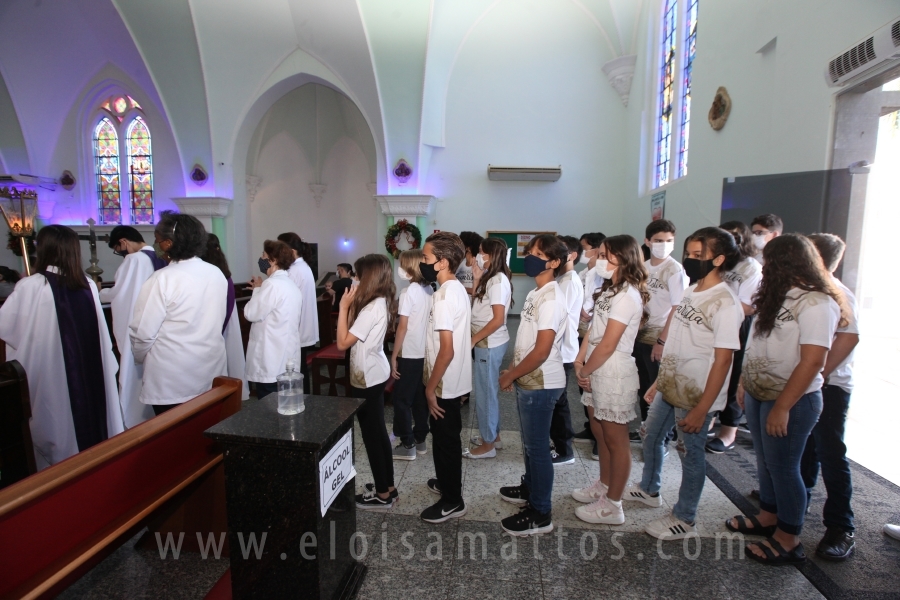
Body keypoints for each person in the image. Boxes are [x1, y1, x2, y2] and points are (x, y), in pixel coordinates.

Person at [728, 234, 846, 566]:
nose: (764, 268)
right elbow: (757, 343)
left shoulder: (817, 302)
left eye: (771, 262)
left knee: (784, 466)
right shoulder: (777, 296)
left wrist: (783, 407)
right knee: (765, 462)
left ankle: (788, 537)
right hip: (758, 391)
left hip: (792, 400)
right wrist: (743, 382)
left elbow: (813, 361)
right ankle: (768, 516)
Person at [632, 227, 743, 539]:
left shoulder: (724, 301)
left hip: (696, 394)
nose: (691, 260)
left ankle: (685, 516)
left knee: (689, 455)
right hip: (670, 384)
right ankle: (649, 488)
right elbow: (677, 342)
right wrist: (659, 382)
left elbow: (723, 361)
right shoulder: (693, 291)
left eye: (699, 256)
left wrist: (703, 409)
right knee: (650, 436)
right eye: (689, 254)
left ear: (719, 259)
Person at [0, 225, 123, 469]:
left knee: (56, 425)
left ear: (44, 249)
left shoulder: (32, 285)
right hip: (90, 372)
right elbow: (102, 335)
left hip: (50, 372)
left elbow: (7, 327)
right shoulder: (86, 284)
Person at [572, 235, 648, 525]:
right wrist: (580, 362)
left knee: (617, 442)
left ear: (624, 258)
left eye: (605, 255)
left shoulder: (628, 295)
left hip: (612, 371)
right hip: (594, 367)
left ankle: (614, 505)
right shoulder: (609, 290)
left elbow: (609, 344)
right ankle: (603, 485)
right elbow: (592, 332)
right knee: (599, 431)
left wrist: (586, 370)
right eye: (599, 253)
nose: (598, 259)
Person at [497, 235, 569, 536]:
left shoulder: (552, 298)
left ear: (553, 263)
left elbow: (541, 351)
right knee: (530, 444)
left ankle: (541, 512)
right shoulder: (537, 293)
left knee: (538, 449)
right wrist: (515, 370)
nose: (530, 257)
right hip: (529, 378)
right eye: (529, 252)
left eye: (538, 254)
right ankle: (531, 489)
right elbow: (526, 340)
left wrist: (511, 374)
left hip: (542, 383)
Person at [130, 211, 227, 415]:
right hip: (209, 369)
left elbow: (143, 333)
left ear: (168, 243)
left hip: (172, 379)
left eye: (157, 240)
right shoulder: (215, 273)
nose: (156, 245)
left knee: (175, 441)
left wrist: (139, 358)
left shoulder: (161, 279)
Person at [800, 233, 860, 561]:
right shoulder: (806, 293)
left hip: (830, 386)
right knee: (806, 447)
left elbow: (849, 338)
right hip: (805, 382)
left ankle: (841, 526)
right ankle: (799, 499)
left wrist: (817, 375)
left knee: (831, 451)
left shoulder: (838, 294)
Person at [420, 232, 472, 523]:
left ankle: (453, 500)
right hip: (453, 380)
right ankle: (445, 482)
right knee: (444, 437)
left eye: (426, 259)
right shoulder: (456, 289)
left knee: (446, 441)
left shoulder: (442, 297)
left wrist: (429, 389)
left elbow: (446, 351)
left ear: (441, 263)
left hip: (444, 382)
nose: (423, 263)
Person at [99, 225, 165, 427]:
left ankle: (134, 417)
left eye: (117, 248)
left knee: (133, 370)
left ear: (124, 242)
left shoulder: (134, 260)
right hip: (157, 324)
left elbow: (121, 293)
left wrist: (98, 293)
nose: (119, 253)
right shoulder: (160, 257)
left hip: (137, 323)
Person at [707, 221, 763, 454]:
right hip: (712, 321)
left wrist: (715, 306)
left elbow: (749, 306)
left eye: (735, 236)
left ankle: (728, 430)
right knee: (711, 371)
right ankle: (708, 419)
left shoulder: (750, 266)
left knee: (732, 375)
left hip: (738, 323)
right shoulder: (721, 263)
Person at [633, 219, 688, 444]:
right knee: (643, 386)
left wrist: (663, 341)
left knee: (658, 388)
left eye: (668, 241)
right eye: (658, 241)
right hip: (640, 334)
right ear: (647, 241)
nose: (663, 244)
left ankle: (662, 437)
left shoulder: (675, 270)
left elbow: (678, 307)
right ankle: (646, 429)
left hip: (659, 337)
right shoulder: (643, 267)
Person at [465, 237, 513, 459]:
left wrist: (474, 340)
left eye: (482, 252)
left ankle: (487, 445)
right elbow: (479, 305)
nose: (478, 256)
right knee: (488, 390)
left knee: (485, 393)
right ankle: (494, 436)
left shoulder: (499, 281)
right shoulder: (489, 278)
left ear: (492, 255)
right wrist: (476, 279)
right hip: (486, 341)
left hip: (488, 342)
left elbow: (497, 319)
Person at [244, 240, 302, 398]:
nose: (261, 259)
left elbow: (251, 313)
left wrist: (257, 291)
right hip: (286, 353)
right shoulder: (290, 284)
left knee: (270, 406)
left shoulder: (272, 285)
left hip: (271, 357)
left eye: (264, 256)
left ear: (273, 260)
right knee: (285, 402)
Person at [390, 249, 432, 460]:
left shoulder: (408, 293)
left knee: (401, 399)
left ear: (410, 268)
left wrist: (394, 355)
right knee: (419, 399)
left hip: (409, 353)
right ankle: (420, 439)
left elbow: (402, 328)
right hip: (424, 353)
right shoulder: (429, 289)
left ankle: (407, 444)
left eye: (402, 264)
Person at [548, 235, 584, 465]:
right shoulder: (562, 279)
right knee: (556, 400)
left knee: (559, 401)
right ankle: (559, 442)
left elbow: (559, 317)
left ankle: (564, 449)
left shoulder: (570, 281)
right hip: (557, 349)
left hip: (563, 349)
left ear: (570, 256)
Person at [203, 234, 249, 401]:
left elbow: (227, 305)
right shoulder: (220, 271)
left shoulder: (218, 274)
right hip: (220, 326)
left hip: (220, 326)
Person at [573, 231, 606, 456]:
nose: (584, 253)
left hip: (599, 335)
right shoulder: (585, 272)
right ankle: (590, 426)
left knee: (598, 386)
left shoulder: (604, 274)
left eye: (586, 248)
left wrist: (587, 310)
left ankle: (601, 437)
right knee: (584, 386)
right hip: (583, 332)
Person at [277, 232, 320, 394]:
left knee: (296, 369)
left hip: (296, 327)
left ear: (291, 251)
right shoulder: (303, 267)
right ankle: (304, 399)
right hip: (302, 325)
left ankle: (300, 400)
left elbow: (285, 300)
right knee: (300, 367)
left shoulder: (294, 271)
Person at [456, 231, 484, 296]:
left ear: (468, 248)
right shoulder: (459, 264)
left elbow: (481, 290)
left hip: (474, 302)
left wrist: (462, 289)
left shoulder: (479, 264)